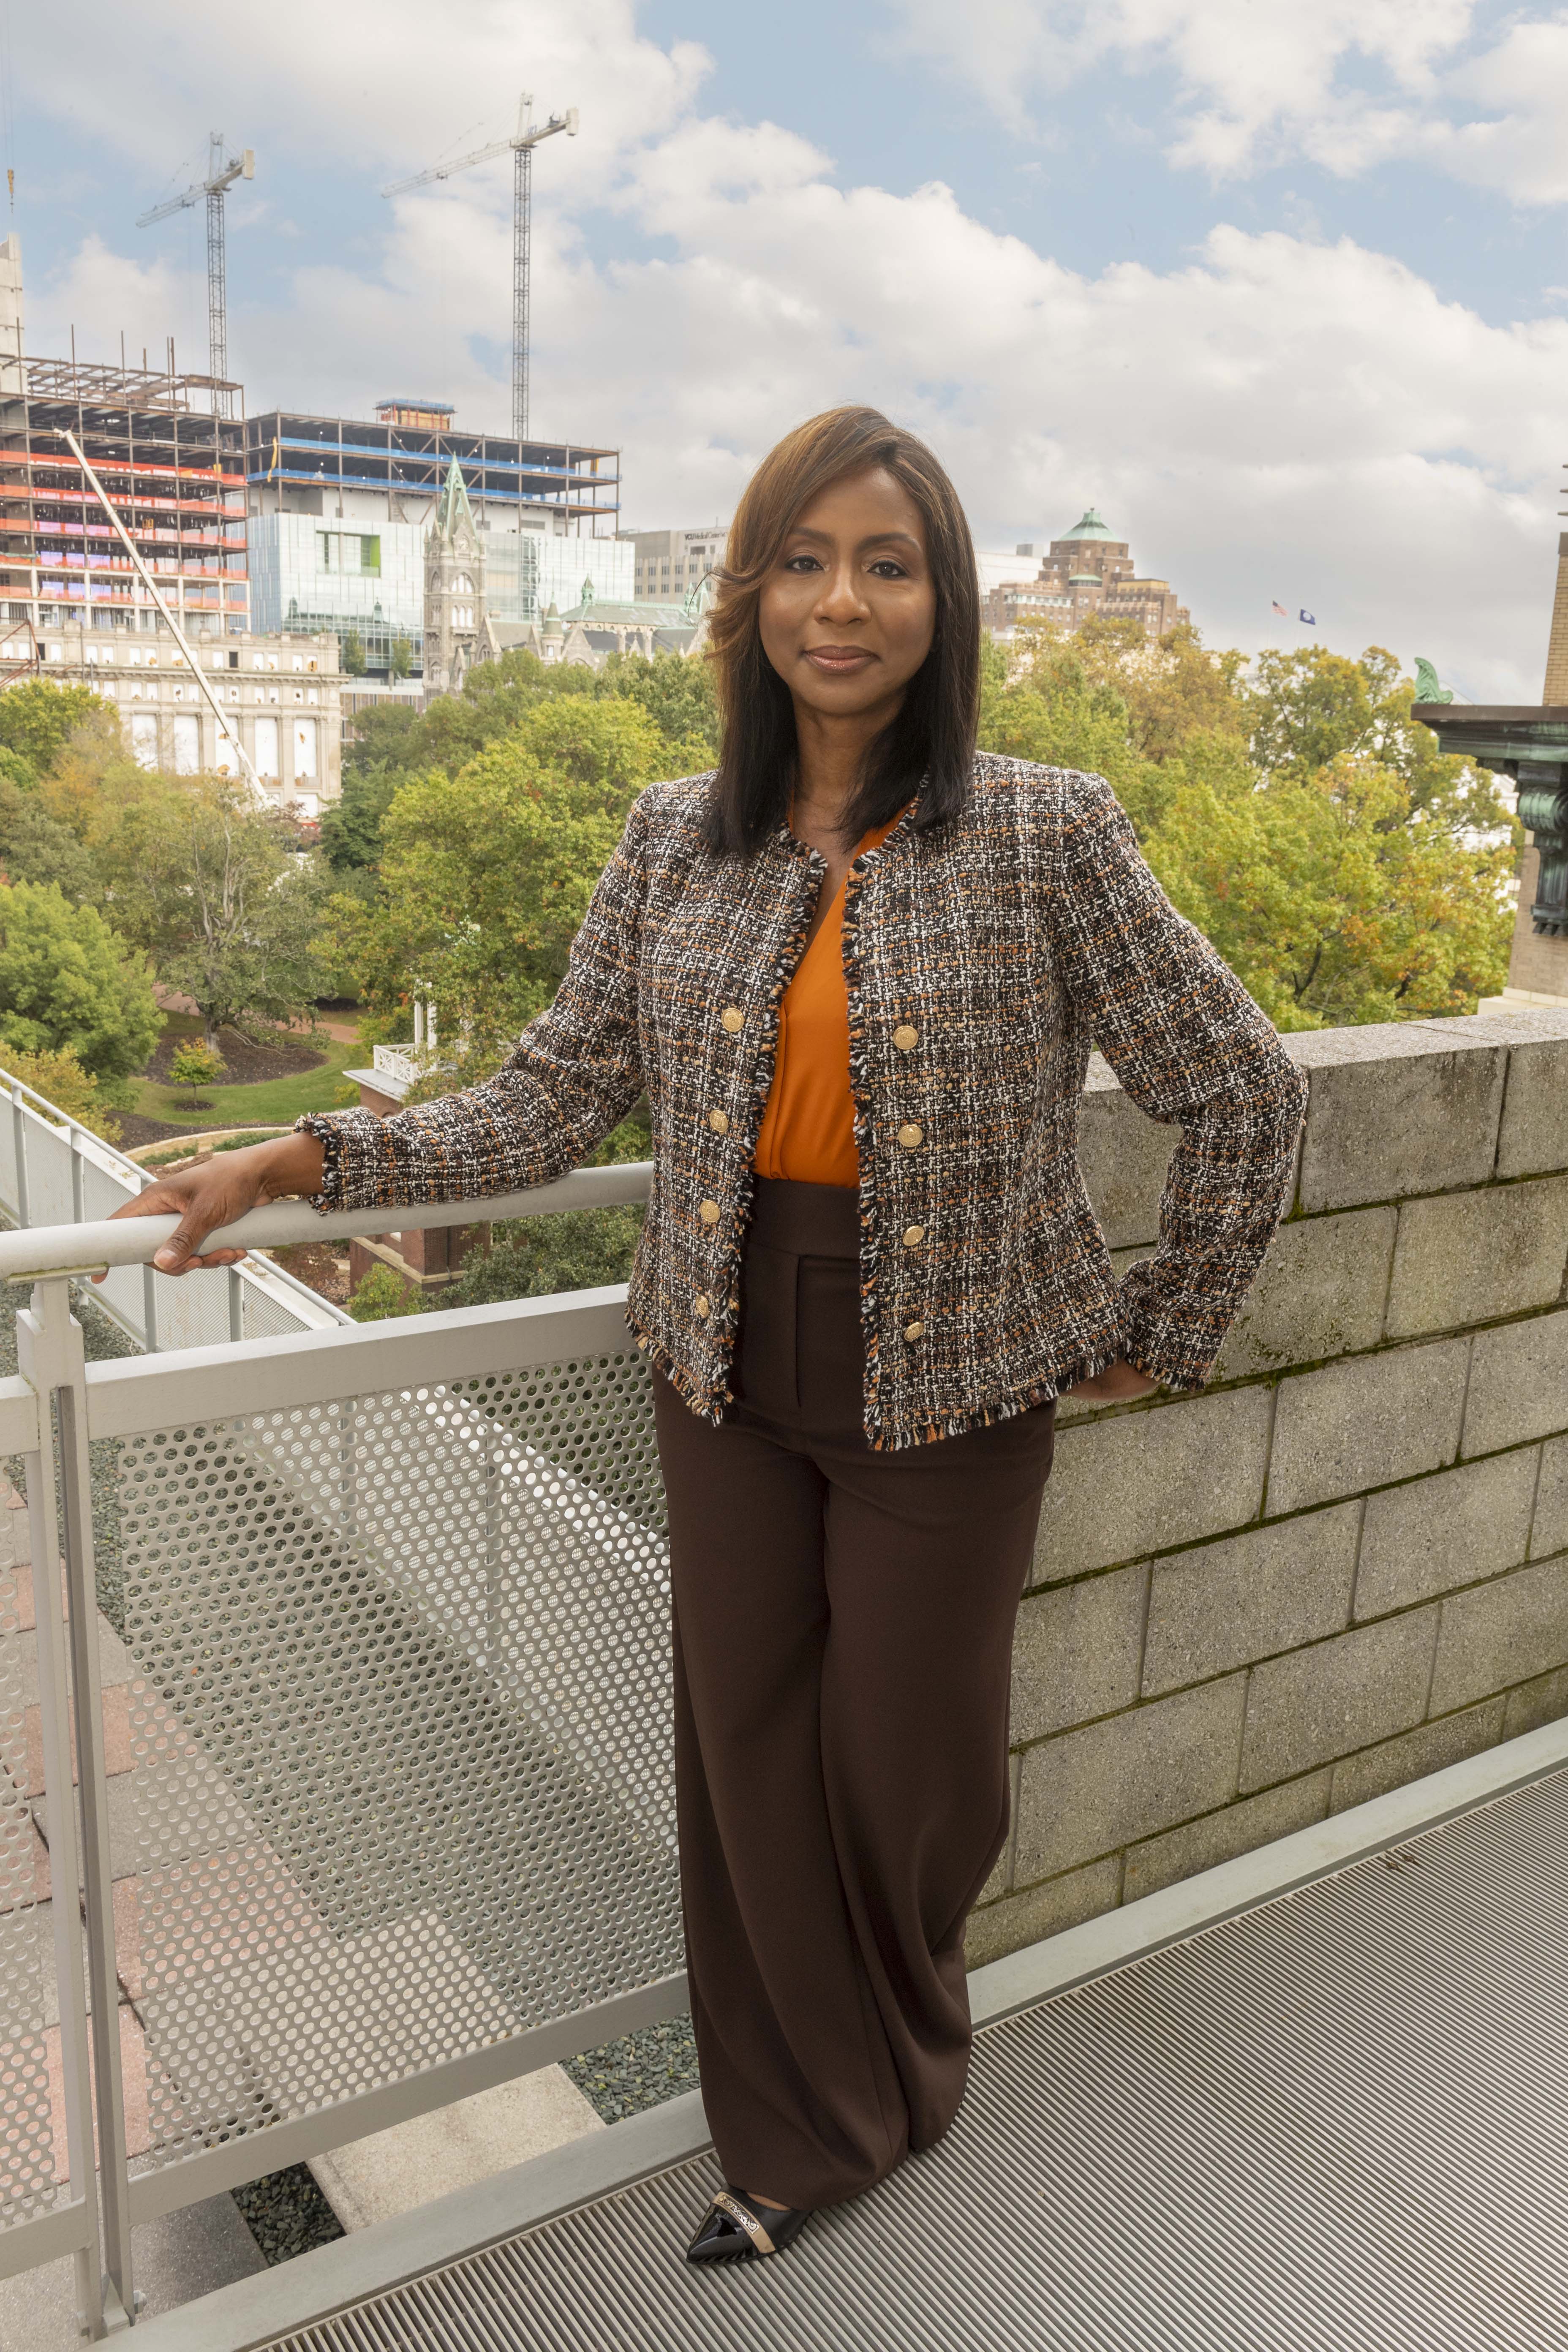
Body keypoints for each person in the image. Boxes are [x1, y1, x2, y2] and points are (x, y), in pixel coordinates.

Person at [110, 406, 1307, 2268]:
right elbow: (550, 1095)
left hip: (958, 1378)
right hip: (724, 1366)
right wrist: (312, 1154)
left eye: (887, 564)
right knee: (747, 1757)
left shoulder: (1050, 830)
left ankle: (909, 2052)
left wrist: (1173, 1322)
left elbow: (1239, 1090)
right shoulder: (675, 836)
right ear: (748, 599)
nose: (843, 602)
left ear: (942, 601)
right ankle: (795, 2132)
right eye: (804, 563)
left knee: (913, 1773)